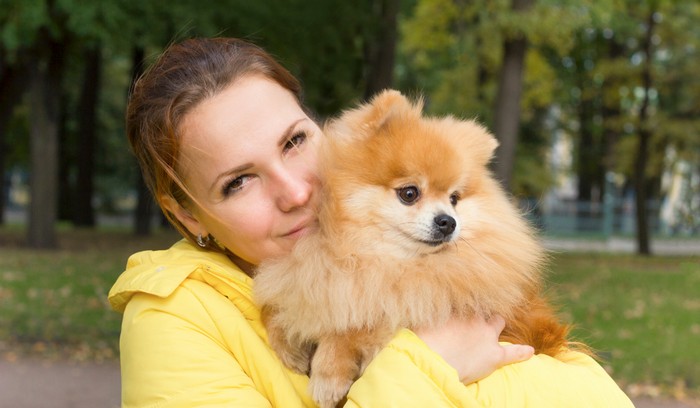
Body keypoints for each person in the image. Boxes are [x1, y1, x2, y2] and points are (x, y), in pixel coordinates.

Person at [108, 37, 634, 407]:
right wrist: (424, 366)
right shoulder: (173, 316)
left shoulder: (421, 251)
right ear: (184, 212)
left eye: (294, 141)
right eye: (238, 181)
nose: (296, 192)